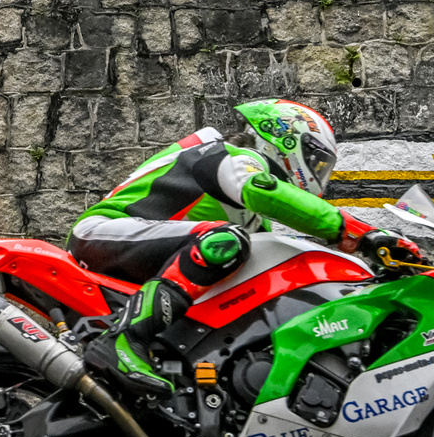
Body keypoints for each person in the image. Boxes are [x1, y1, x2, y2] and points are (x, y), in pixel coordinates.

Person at [66, 98, 415, 398]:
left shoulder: (250, 218)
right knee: (226, 240)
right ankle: (125, 339)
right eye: (317, 162)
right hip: (103, 233)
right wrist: (358, 232)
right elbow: (264, 190)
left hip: (143, 251)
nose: (318, 175)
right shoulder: (231, 156)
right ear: (286, 139)